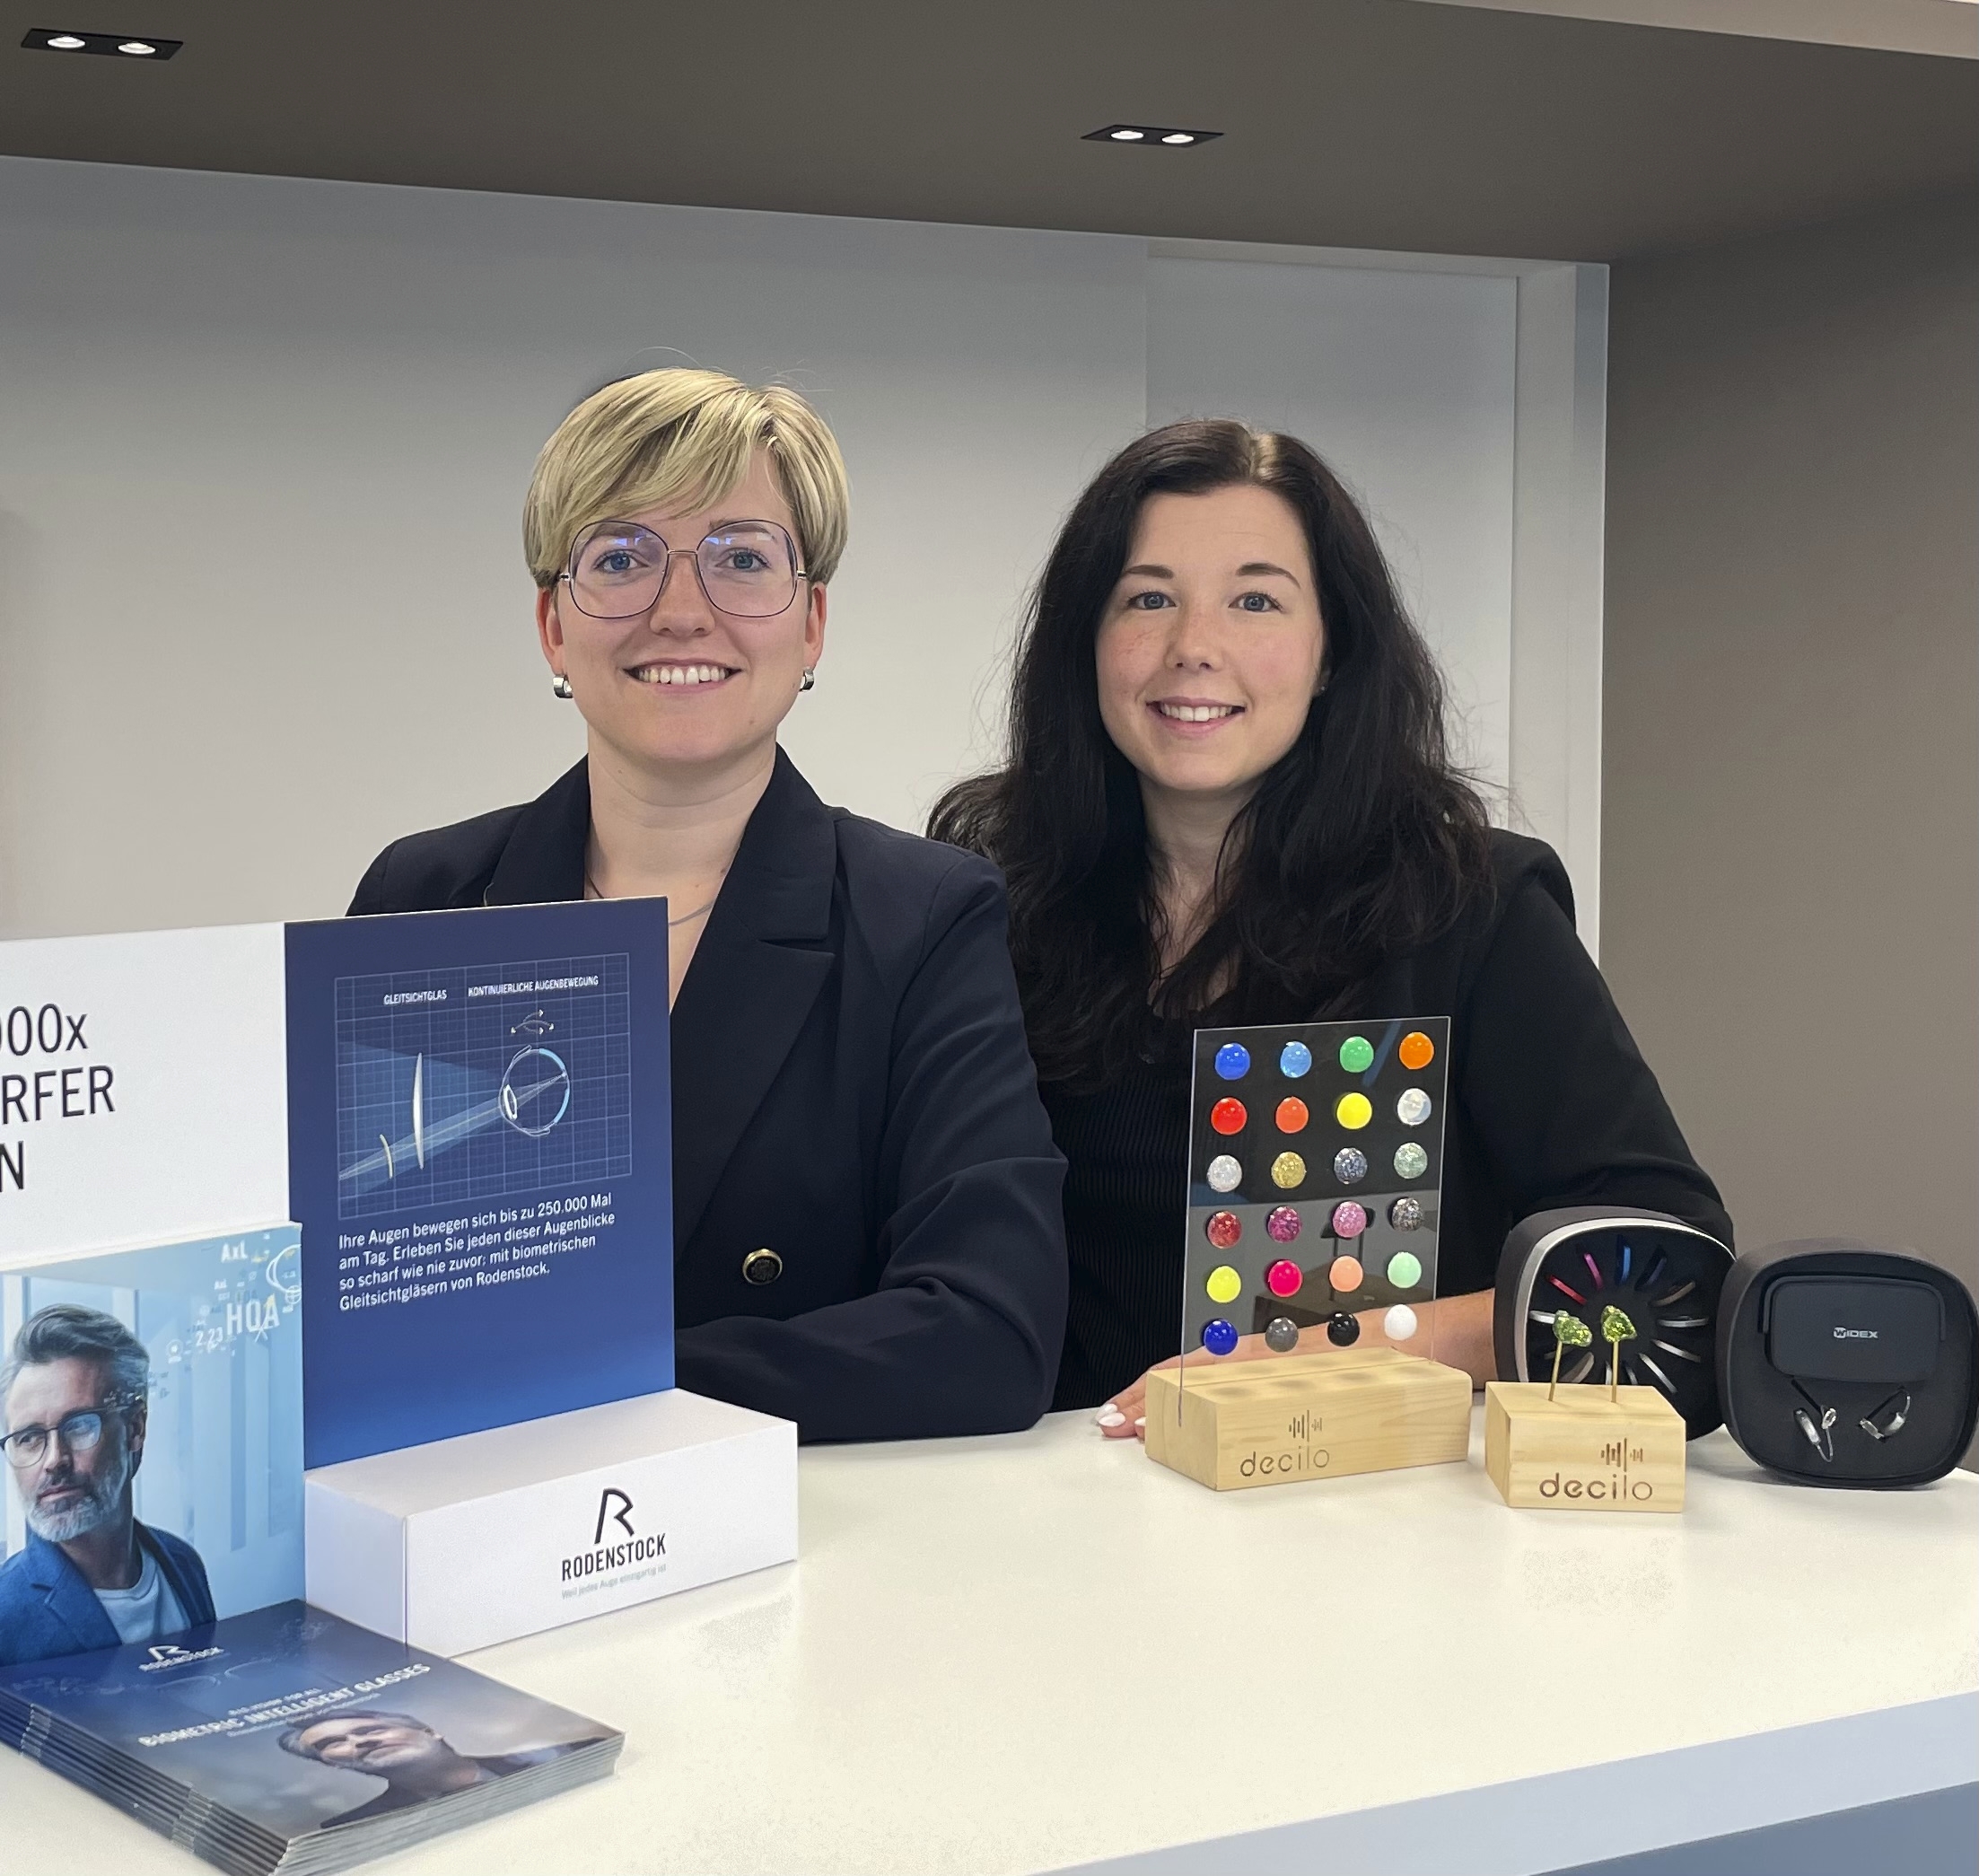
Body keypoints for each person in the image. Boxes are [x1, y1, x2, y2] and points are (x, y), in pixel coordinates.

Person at [932, 419, 1733, 1433]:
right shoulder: (983, 904)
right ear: (1084, 642)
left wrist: (1337, 1349)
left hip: (1363, 1496)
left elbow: (1666, 1267)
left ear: (1330, 654)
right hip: (1045, 1491)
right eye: (1148, 598)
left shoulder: (1473, 905)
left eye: (1255, 600)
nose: (1193, 646)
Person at [348, 367, 1065, 1442]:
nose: (682, 612)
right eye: (620, 557)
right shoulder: (423, 900)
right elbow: (346, 1298)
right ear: (552, 625)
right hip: (466, 1518)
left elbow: (987, 1334)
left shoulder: (924, 917)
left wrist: (574, 1380)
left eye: (741, 558)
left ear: (811, 622)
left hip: (800, 1528)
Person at [0, 1305, 215, 1664]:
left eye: (80, 1425)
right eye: (29, 1438)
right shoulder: (5, 1616)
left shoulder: (184, 1563)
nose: (54, 1460)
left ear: (135, 1428)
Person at [277, 1708, 608, 1826]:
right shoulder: (351, 1829)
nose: (360, 1742)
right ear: (330, 1763)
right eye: (332, 1744)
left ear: (430, 1731)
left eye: (370, 1730)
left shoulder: (576, 1753)